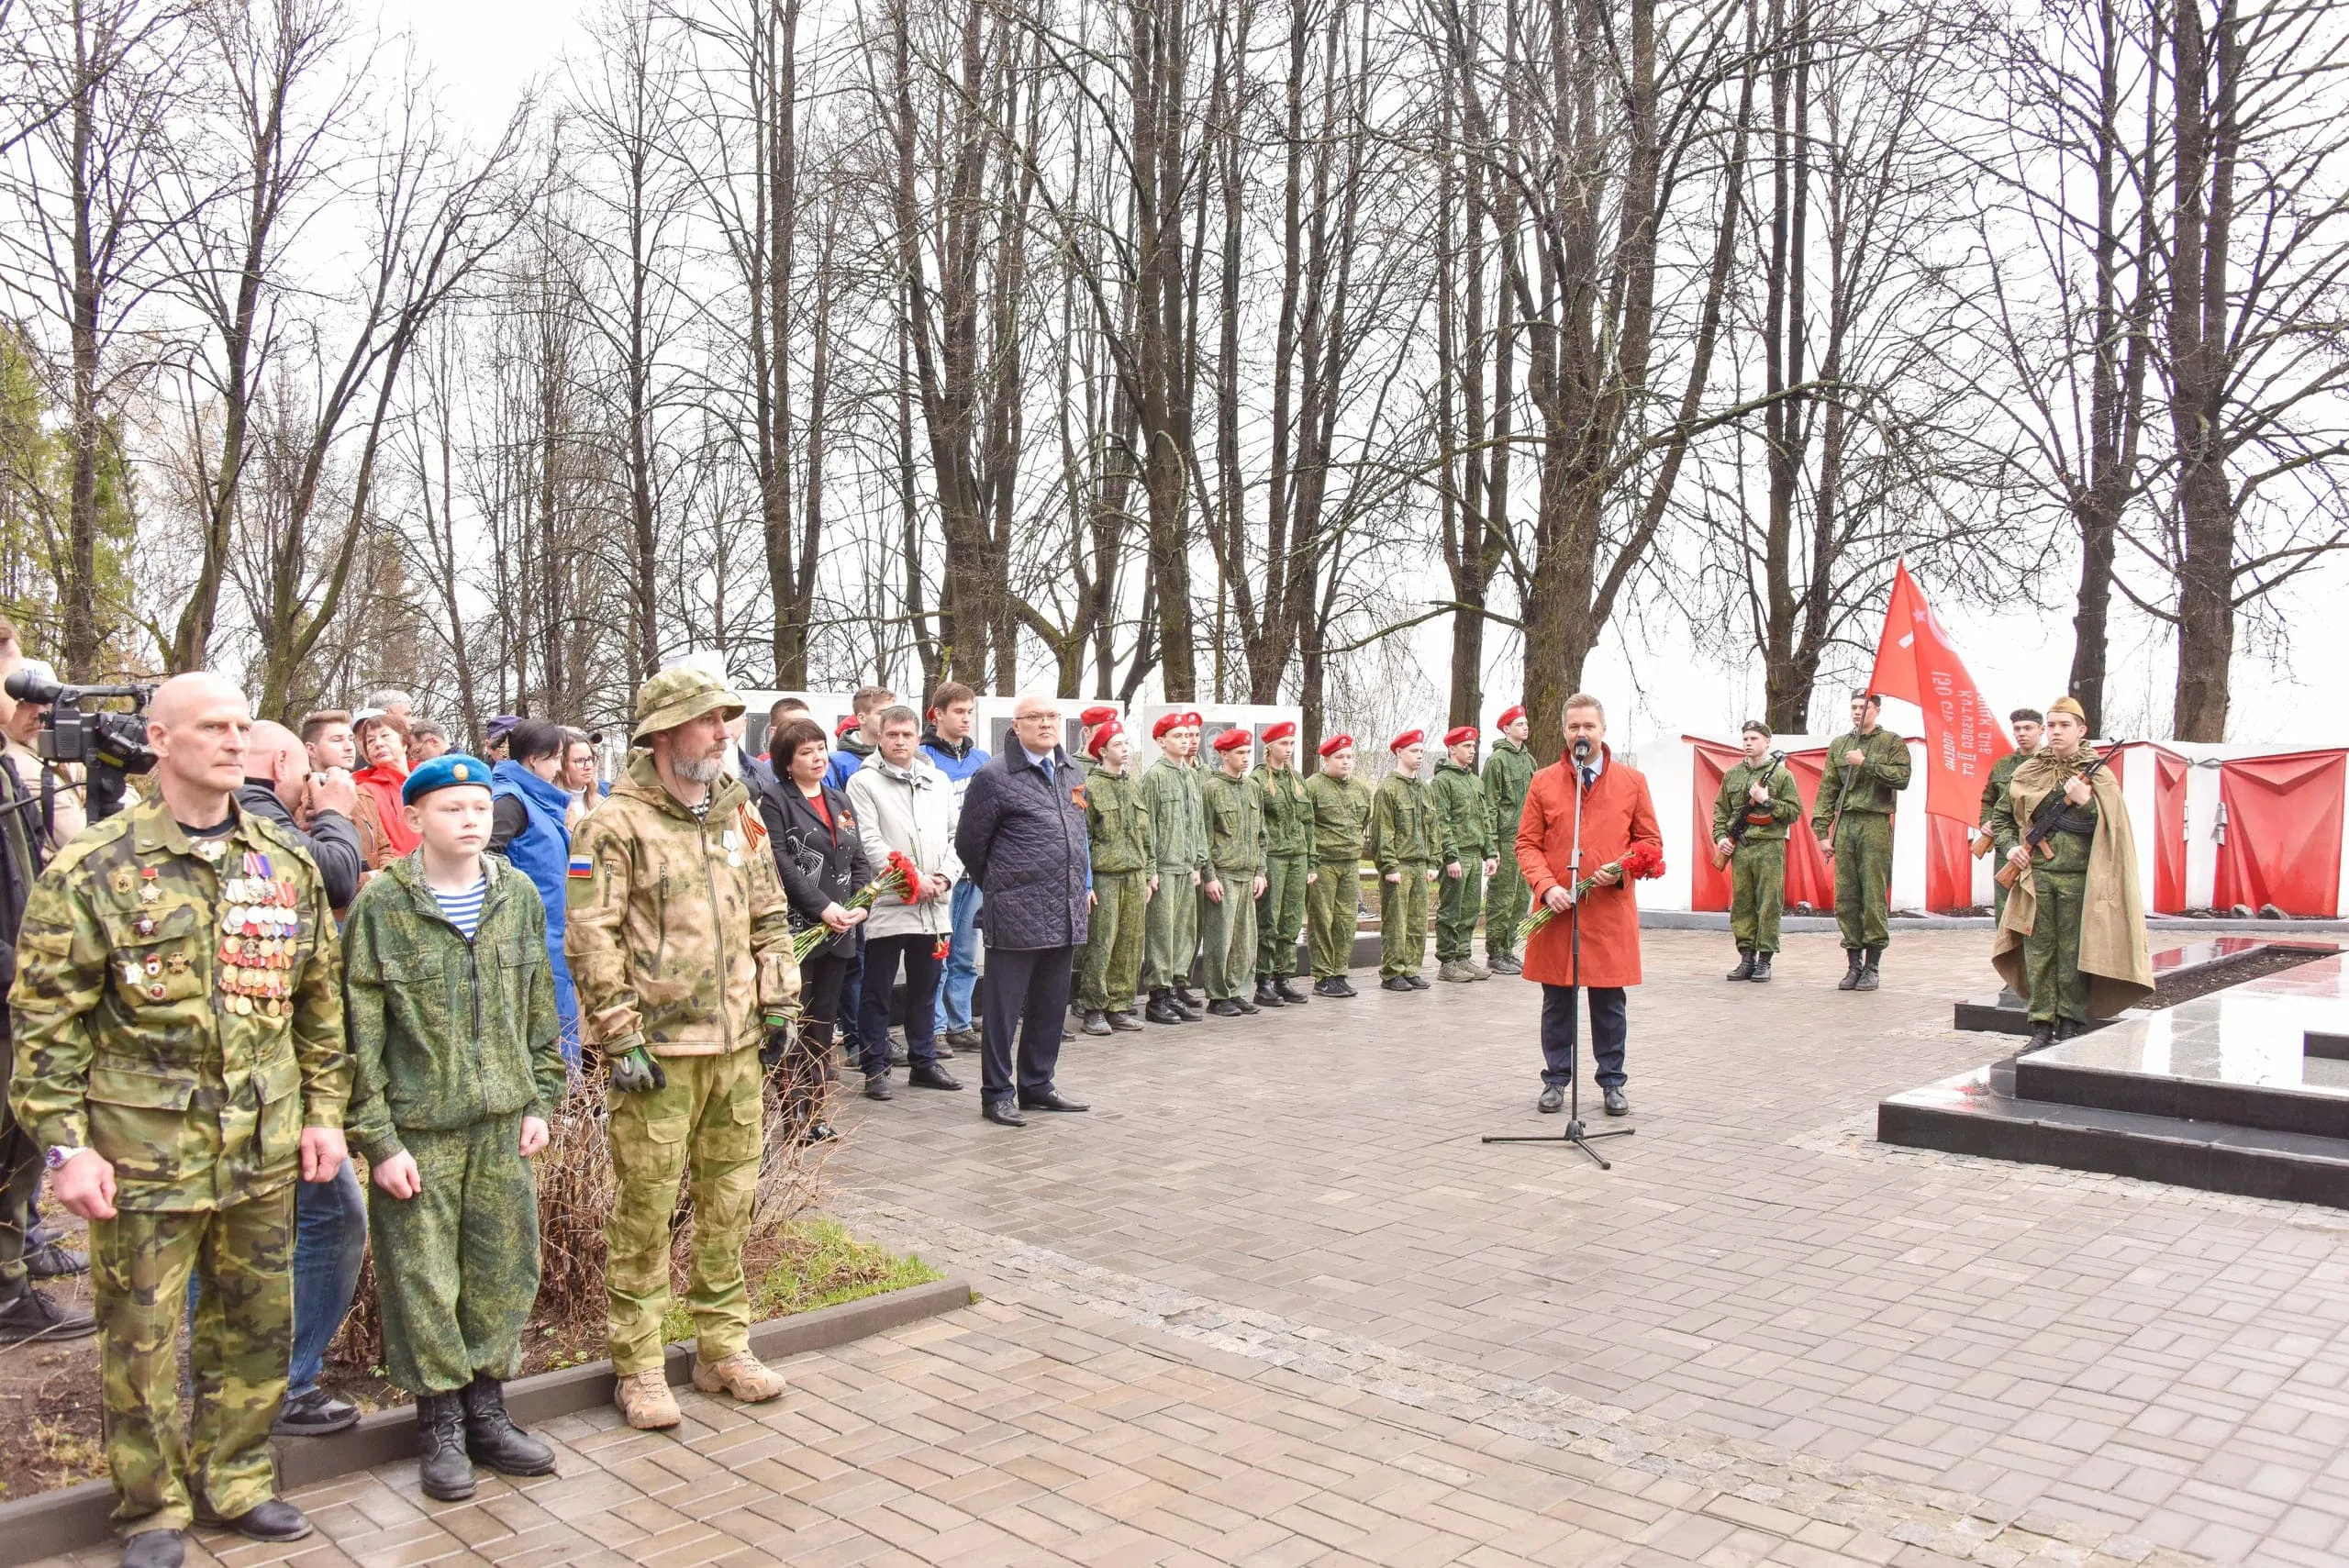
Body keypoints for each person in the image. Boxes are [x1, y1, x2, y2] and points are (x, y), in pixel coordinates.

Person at [10, 672, 351, 1567]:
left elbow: (318, 1001)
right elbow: (45, 1025)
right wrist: (65, 1147)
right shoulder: (94, 868)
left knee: (255, 1323)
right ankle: (152, 1508)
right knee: (143, 1341)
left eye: (242, 725)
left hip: (262, 1150)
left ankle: (236, 1479)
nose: (234, 740)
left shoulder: (283, 863)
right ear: (159, 739)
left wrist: (324, 1115)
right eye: (211, 726)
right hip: (143, 1157)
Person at [564, 667, 797, 1431]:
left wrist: (779, 996)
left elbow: (769, 913)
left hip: (735, 1052)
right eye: (707, 721)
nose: (724, 733)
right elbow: (591, 935)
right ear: (663, 732)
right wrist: (618, 1032)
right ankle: (637, 1364)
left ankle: (722, 1347)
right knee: (646, 1209)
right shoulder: (615, 824)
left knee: (729, 1205)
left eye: (728, 719)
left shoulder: (740, 816)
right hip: (658, 1057)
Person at [342, 753, 564, 1502]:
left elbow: (540, 1003)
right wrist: (378, 1139)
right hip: (421, 1129)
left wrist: (541, 1097)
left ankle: (486, 1409)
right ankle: (437, 1420)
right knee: (423, 1278)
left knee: (505, 1267)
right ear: (414, 819)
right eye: (451, 809)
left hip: (502, 1120)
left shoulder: (518, 894)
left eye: (478, 807)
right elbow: (359, 1033)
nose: (470, 820)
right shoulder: (385, 907)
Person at [230, 721, 368, 1438]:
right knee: (326, 1218)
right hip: (246, 1083)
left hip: (281, 1077)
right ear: (287, 760)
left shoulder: (259, 820)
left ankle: (259, 1379)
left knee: (316, 1218)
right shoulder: (257, 818)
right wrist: (340, 812)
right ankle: (278, 1383)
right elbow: (337, 877)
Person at [0, 623, 94, 1344]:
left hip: (18, 972)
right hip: (7, 975)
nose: (21, 687)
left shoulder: (12, 766)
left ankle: (10, 1282)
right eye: (10, 669)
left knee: (18, 1141)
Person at [1517, 694, 1661, 1118]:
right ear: (1564, 731)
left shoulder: (1632, 781)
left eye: (1589, 727)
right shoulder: (1543, 781)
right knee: (1557, 1000)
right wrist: (1545, 887)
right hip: (1559, 909)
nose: (1582, 734)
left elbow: (1649, 842)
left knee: (1608, 1002)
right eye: (1574, 727)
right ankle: (1556, 1080)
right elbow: (1527, 843)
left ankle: (1612, 1083)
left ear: (1603, 730)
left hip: (1608, 912)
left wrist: (1623, 871)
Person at [954, 694, 1091, 1129]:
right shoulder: (994, 776)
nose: (1047, 724)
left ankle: (1038, 1083)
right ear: (1016, 726)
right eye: (1035, 717)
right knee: (1003, 1009)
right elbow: (969, 844)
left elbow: (1079, 835)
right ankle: (997, 1092)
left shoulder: (1073, 771)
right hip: (1016, 908)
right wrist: (1001, 883)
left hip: (1066, 906)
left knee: (1051, 1005)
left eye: (1052, 716)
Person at [1991, 697, 2152, 1049]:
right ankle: (2041, 1025)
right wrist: (2011, 847)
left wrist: (2087, 802)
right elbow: (2002, 817)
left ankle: (2069, 1022)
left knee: (2075, 953)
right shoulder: (2028, 771)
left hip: (2082, 880)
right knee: (2039, 953)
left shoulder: (2100, 775)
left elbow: (2114, 830)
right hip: (2038, 879)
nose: (2056, 732)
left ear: (2082, 731)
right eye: (2051, 725)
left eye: (2064, 725)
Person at [755, 717, 870, 1145]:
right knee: (792, 1024)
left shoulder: (839, 799)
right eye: (806, 752)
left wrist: (860, 904)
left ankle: (816, 1114)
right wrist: (822, 907)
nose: (818, 757)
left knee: (822, 1027)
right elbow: (779, 860)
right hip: (797, 929)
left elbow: (856, 857)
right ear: (787, 762)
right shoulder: (774, 800)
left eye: (821, 748)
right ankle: (793, 1112)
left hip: (840, 931)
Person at [846, 706, 963, 1101]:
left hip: (934, 905)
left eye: (907, 735)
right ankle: (875, 1066)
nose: (899, 742)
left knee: (926, 990)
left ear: (918, 737)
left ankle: (924, 1061)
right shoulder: (864, 783)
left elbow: (956, 836)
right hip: (891, 901)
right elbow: (869, 841)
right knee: (877, 990)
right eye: (892, 735)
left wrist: (945, 876)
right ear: (879, 737)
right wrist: (913, 878)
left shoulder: (939, 780)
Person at [489, 720, 583, 1068]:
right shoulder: (510, 802)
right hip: (530, 933)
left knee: (560, 1017)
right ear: (534, 759)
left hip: (553, 929)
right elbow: (488, 860)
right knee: (545, 1024)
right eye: (556, 759)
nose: (560, 768)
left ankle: (566, 1103)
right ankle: (557, 1106)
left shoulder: (536, 799)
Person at [1810, 690, 1912, 992]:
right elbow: (1828, 788)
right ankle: (1853, 964)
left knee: (1873, 895)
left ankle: (1872, 965)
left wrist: (1865, 763)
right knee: (1846, 898)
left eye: (1863, 707)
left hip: (1874, 823)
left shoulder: (1891, 742)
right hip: (1846, 825)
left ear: (1876, 710)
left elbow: (1902, 779)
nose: (1857, 711)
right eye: (1853, 707)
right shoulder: (1840, 745)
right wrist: (1822, 832)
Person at [919, 682, 990, 1052]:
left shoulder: (981, 761)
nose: (965, 719)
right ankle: (934, 1026)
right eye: (958, 712)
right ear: (938, 714)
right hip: (941, 870)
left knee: (964, 951)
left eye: (969, 712)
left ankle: (960, 1023)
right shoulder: (923, 758)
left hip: (973, 870)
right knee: (939, 952)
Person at [1075, 721, 1152, 1036]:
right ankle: (1094, 1007)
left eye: (1126, 743)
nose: (1125, 749)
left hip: (1134, 874)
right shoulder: (1089, 787)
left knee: (1130, 943)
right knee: (1102, 943)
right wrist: (1086, 883)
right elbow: (1082, 839)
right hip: (1105, 876)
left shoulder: (1134, 785)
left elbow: (1148, 835)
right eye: (1118, 744)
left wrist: (1150, 872)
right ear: (1102, 751)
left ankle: (1120, 1005)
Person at [237, 721, 363, 911]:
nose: (305, 788)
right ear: (280, 763)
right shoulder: (250, 803)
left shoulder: (241, 802)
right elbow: (337, 881)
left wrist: (298, 832)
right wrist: (334, 812)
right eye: (305, 776)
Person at [1712, 721, 1799, 984]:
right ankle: (1746, 957)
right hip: (1740, 848)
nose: (1748, 743)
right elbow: (1720, 810)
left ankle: (1764, 960)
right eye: (1745, 738)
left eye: (1754, 738)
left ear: (1767, 742)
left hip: (1769, 847)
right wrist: (1720, 839)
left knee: (1768, 904)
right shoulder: (1732, 775)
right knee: (1742, 905)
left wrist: (1766, 801)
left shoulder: (1782, 776)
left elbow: (1794, 812)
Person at [1140, 712, 1206, 1025]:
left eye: (1187, 736)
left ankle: (1177, 988)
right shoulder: (1154, 777)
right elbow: (1147, 826)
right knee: (1161, 934)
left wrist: (1198, 863)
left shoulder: (1191, 776)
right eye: (1177, 736)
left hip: (1185, 866)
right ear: (1160, 742)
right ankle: (1158, 996)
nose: (1184, 741)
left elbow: (1197, 824)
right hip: (1164, 866)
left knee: (1183, 933)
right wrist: (1150, 868)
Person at [1198, 728, 1268, 1017]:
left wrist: (1260, 870)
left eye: (1247, 753)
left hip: (1247, 872)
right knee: (1220, 938)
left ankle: (1238, 990)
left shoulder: (1252, 788)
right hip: (1224, 873)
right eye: (1238, 753)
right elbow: (1203, 834)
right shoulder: (1211, 788)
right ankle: (1218, 995)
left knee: (1244, 940)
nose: (1244, 758)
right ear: (1223, 754)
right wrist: (1209, 875)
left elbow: (1261, 834)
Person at [1368, 731, 1444, 991]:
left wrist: (1434, 861)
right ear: (1399, 753)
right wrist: (1389, 865)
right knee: (1396, 922)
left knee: (1417, 921)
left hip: (1420, 863)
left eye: (1422, 751)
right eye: (1414, 751)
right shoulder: (1388, 788)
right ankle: (1392, 971)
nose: (1419, 755)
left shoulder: (1424, 789)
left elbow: (1433, 827)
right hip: (1399, 864)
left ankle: (1412, 968)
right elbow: (1383, 831)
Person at [1303, 736, 1371, 997]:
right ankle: (1323, 975)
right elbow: (1306, 826)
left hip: (1350, 862)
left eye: (1349, 757)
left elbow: (1365, 819)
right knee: (1322, 918)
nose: (1346, 762)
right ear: (1326, 760)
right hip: (1323, 862)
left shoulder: (1361, 790)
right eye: (1340, 757)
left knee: (1345, 919)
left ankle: (1339, 971)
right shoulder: (1313, 787)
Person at [1250, 722, 1312, 1007]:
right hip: (1273, 857)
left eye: (1291, 743)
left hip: (1297, 856)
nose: (1288, 749)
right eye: (1283, 743)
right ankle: (1263, 980)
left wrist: (1312, 861)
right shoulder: (1259, 780)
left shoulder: (1297, 779)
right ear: (1270, 746)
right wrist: (1259, 867)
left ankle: (1283, 978)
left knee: (1291, 920)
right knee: (1269, 920)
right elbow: (1256, 827)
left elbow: (1308, 822)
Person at [1431, 726, 1497, 984]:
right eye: (1466, 746)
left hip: (1474, 854)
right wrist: (1450, 856)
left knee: (1469, 910)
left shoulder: (1474, 780)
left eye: (1473, 746)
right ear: (1452, 749)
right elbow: (1442, 821)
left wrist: (1490, 852)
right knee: (1451, 910)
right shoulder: (1442, 781)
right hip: (1457, 855)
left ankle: (1463, 955)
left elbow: (1484, 819)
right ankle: (1447, 961)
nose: (1472, 750)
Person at [1480, 706, 1536, 975]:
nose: (1525, 728)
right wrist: (1491, 846)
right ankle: (1495, 951)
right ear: (1506, 729)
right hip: (1505, 838)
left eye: (1525, 723)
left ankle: (1508, 948)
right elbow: (1489, 805)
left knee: (1520, 897)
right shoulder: (1497, 761)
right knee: (1502, 897)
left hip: (1526, 838)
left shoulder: (1528, 761)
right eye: (1519, 724)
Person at [1979, 707, 2044, 923]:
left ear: (2041, 730)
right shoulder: (2002, 765)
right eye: (2017, 729)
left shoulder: (2049, 764)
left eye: (2028, 728)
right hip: (2005, 847)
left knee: (2036, 909)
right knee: (2005, 908)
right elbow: (1988, 799)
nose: (2022, 733)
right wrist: (1986, 822)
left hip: (2038, 847)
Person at [351, 709, 420, 869]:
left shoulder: (429, 780)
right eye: (370, 741)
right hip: (399, 875)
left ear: (404, 742)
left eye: (385, 735)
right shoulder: (364, 790)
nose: (379, 743)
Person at [824, 685, 894, 791]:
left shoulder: (900, 757)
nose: (891, 719)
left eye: (893, 713)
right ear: (862, 718)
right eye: (882, 714)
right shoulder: (834, 764)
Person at [560, 728, 598, 835]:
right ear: (561, 764)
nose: (589, 766)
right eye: (579, 761)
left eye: (590, 759)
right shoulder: (552, 806)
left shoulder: (601, 802)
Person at [299, 710, 357, 775]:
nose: (350, 747)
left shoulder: (364, 783)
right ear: (311, 749)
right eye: (337, 740)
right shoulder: (294, 784)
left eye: (351, 739)